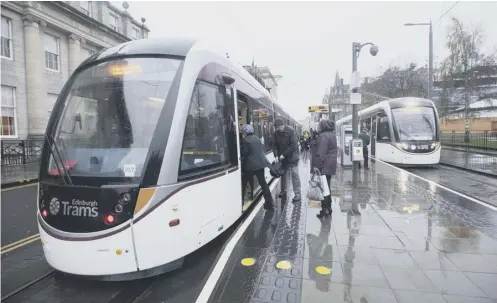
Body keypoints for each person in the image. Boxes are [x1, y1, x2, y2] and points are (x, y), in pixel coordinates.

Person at [240, 124, 274, 210]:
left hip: (250, 166)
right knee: (263, 183)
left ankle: (241, 202)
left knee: (244, 182)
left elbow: (245, 153)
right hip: (260, 165)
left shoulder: (245, 140)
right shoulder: (257, 139)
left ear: (245, 132)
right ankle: (270, 203)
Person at [272, 118, 301, 202]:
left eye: (279, 128)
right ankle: (283, 191)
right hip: (282, 157)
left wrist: (283, 155)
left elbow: (294, 145)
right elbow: (274, 145)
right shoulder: (276, 133)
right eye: (276, 128)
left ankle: (297, 194)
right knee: (282, 174)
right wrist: (276, 155)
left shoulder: (291, 131)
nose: (278, 130)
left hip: (292, 156)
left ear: (283, 126)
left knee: (295, 174)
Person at [314, 119, 338, 218]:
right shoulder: (332, 134)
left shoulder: (323, 136)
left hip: (324, 165)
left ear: (323, 126)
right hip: (331, 163)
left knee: (324, 188)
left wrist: (316, 166)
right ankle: (329, 207)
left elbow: (320, 153)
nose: (318, 127)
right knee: (327, 186)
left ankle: (325, 209)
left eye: (320, 125)